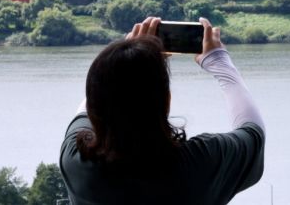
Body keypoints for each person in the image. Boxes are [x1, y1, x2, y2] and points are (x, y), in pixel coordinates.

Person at [60, 16, 265, 205]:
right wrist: (218, 62)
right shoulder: (198, 165)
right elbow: (253, 130)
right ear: (167, 102)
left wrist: (124, 55)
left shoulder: (77, 163)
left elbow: (93, 102)